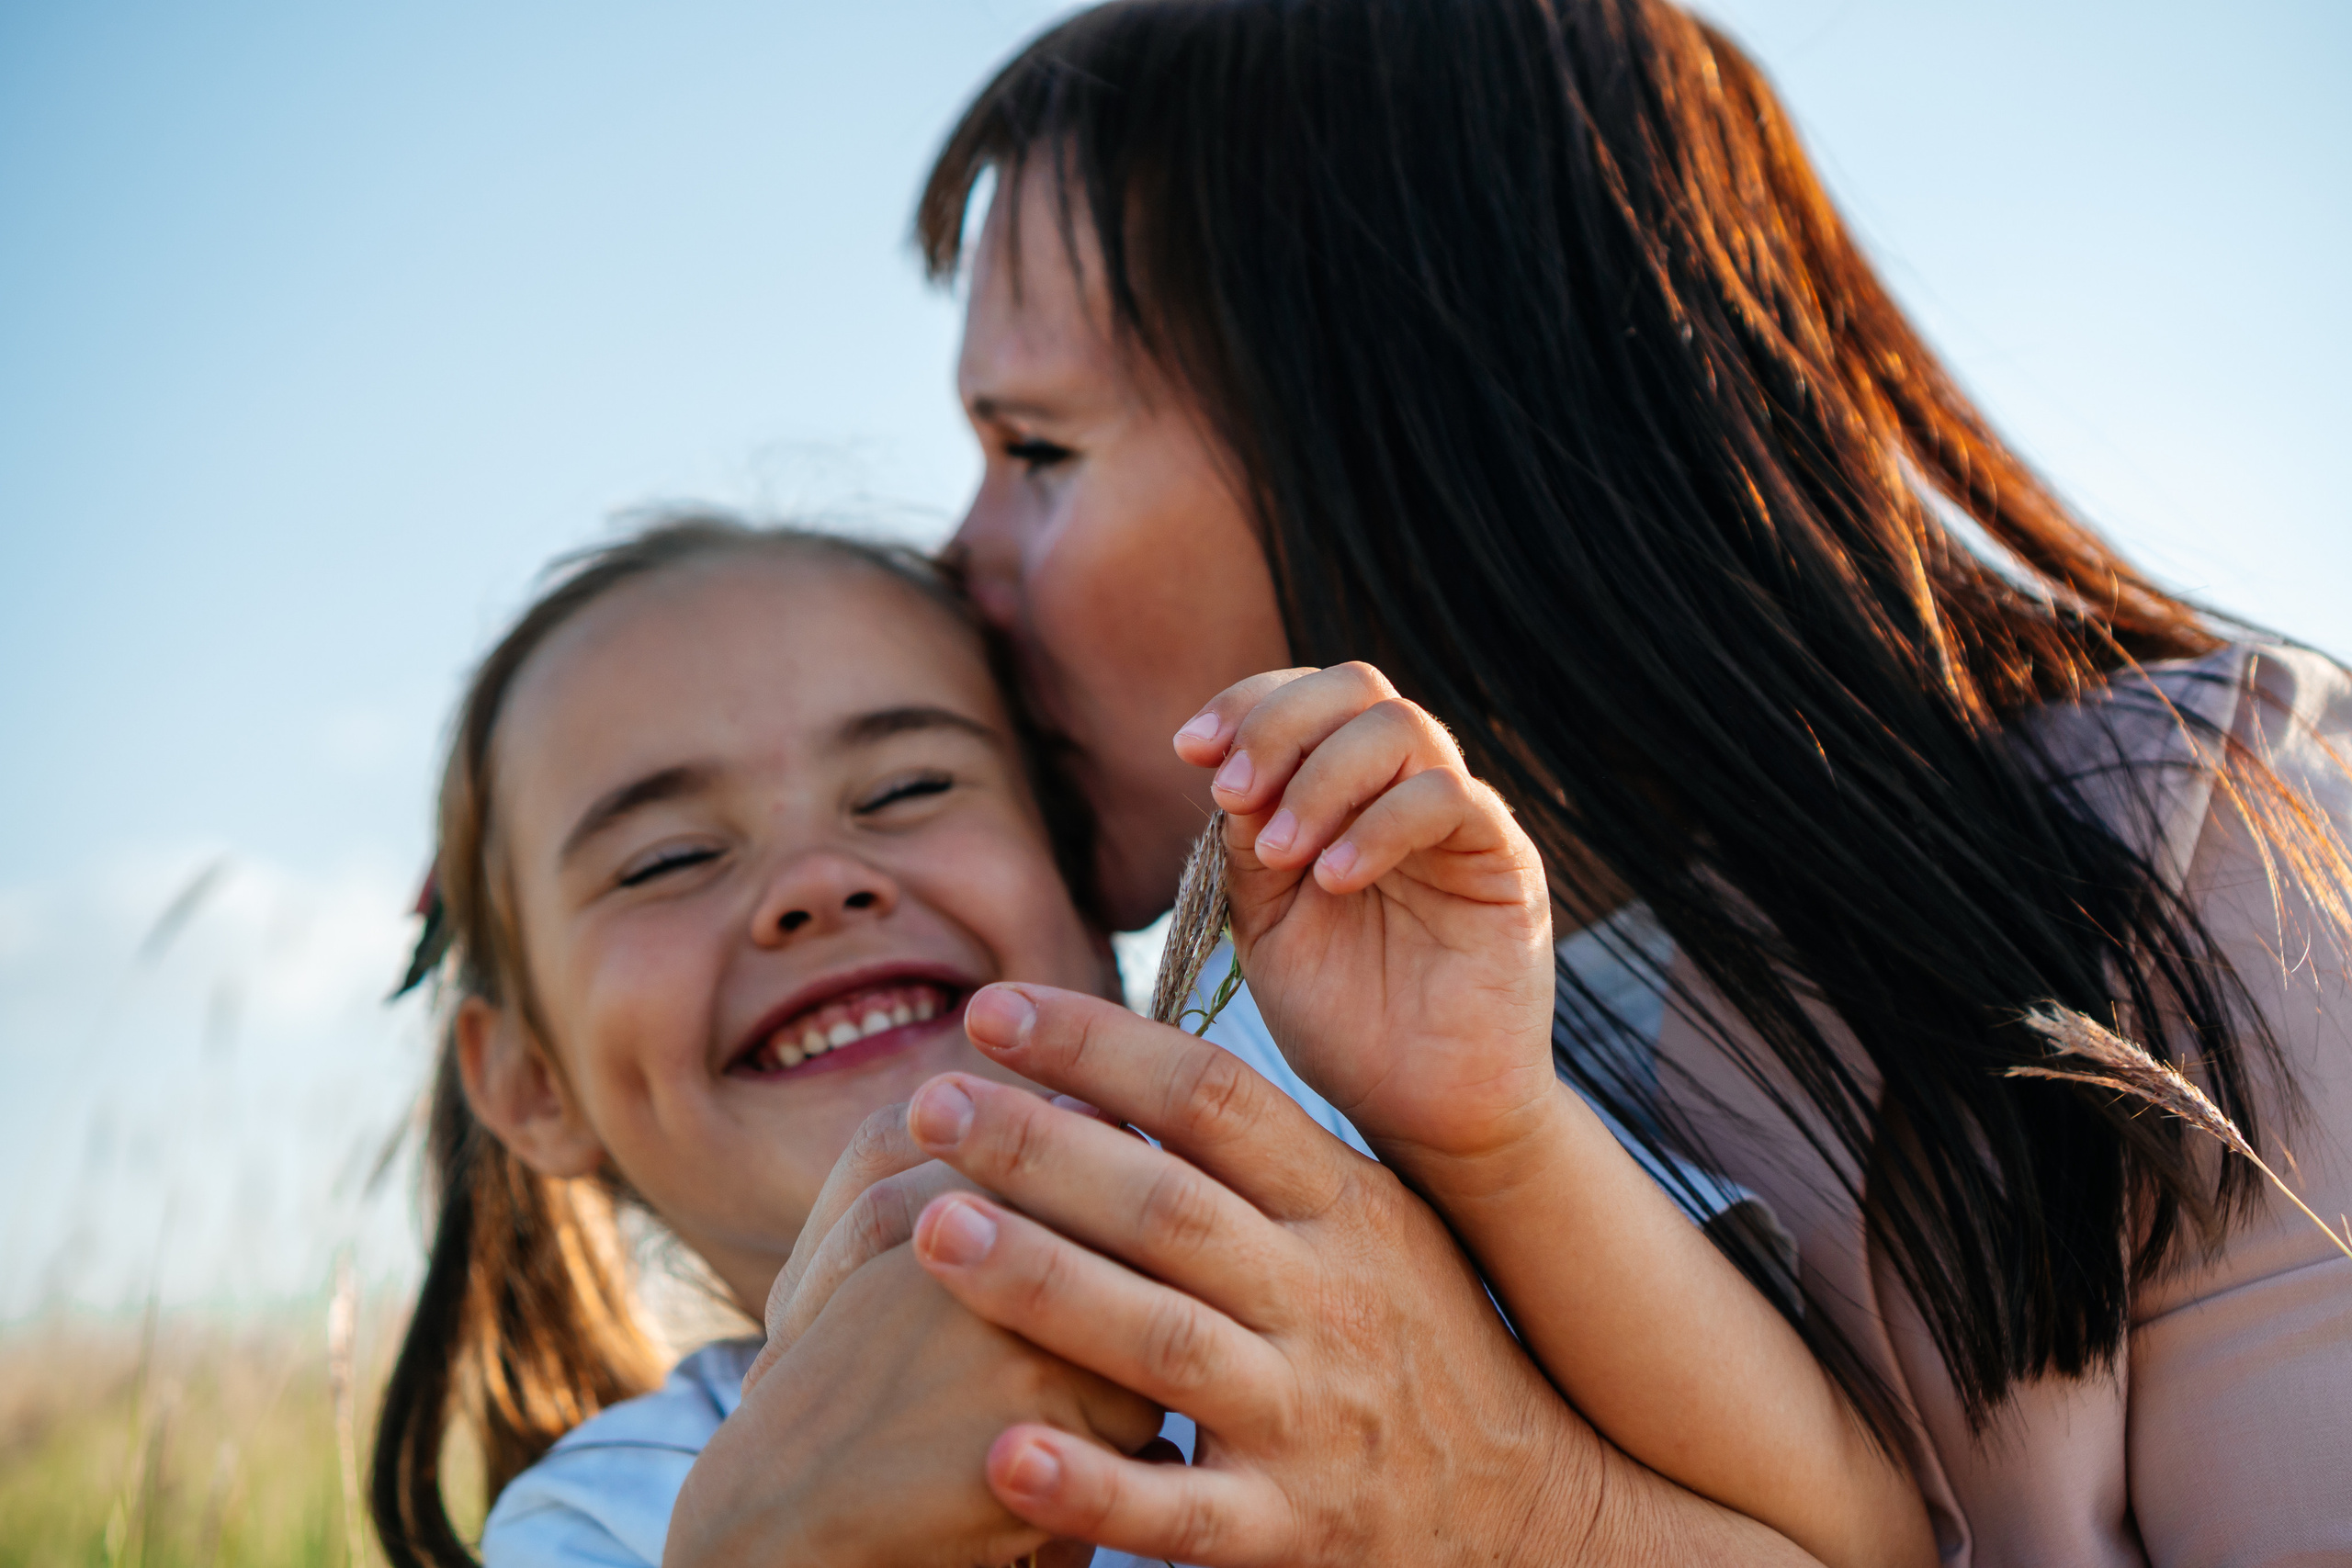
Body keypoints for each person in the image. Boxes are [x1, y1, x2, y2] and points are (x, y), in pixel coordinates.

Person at [703, 1, 2352, 1563]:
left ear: (1409, 428)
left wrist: (1528, 1515)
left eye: (1039, 451)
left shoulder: (2193, 836)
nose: (957, 558)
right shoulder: (1218, 1107)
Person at [371, 513, 1926, 1568]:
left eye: (908, 788)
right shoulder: (618, 1517)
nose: (816, 883)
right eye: (660, 861)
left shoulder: (1365, 1177)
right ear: (526, 1081)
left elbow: (1874, 1539)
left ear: (1091, 879)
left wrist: (1492, 1135)